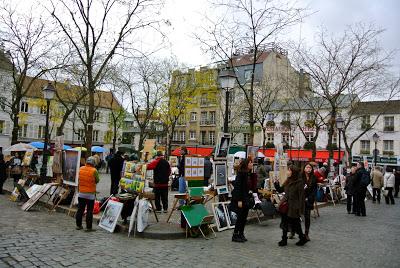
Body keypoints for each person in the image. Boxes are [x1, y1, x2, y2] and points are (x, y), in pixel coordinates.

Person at [274, 165, 308, 247]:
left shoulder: (299, 183)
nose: (287, 172)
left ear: (293, 172)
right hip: (286, 206)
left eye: (289, 170)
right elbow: (281, 190)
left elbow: (301, 197)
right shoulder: (288, 181)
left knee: (296, 223)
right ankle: (284, 239)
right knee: (284, 223)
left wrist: (300, 209)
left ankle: (302, 238)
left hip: (294, 207)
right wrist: (276, 184)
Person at [231, 158, 252, 243]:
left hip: (245, 199)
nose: (252, 164)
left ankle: (241, 233)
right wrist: (239, 200)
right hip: (241, 199)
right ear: (246, 164)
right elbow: (238, 188)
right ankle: (235, 235)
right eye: (250, 163)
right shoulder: (241, 174)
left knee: (244, 218)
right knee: (240, 217)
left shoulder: (247, 174)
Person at [75, 157, 100, 231]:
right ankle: (89, 227)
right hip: (90, 194)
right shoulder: (94, 170)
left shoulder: (81, 168)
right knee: (89, 211)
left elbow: (78, 178)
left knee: (80, 210)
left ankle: (78, 225)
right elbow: (97, 180)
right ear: (93, 163)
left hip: (81, 193)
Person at [302, 163, 317, 241]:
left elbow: (314, 190)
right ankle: (293, 231)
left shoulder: (314, 178)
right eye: (307, 167)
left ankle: (306, 233)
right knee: (295, 216)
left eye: (310, 167)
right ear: (304, 168)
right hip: (300, 199)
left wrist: (309, 198)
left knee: (307, 217)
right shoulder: (300, 177)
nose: (308, 169)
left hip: (308, 200)